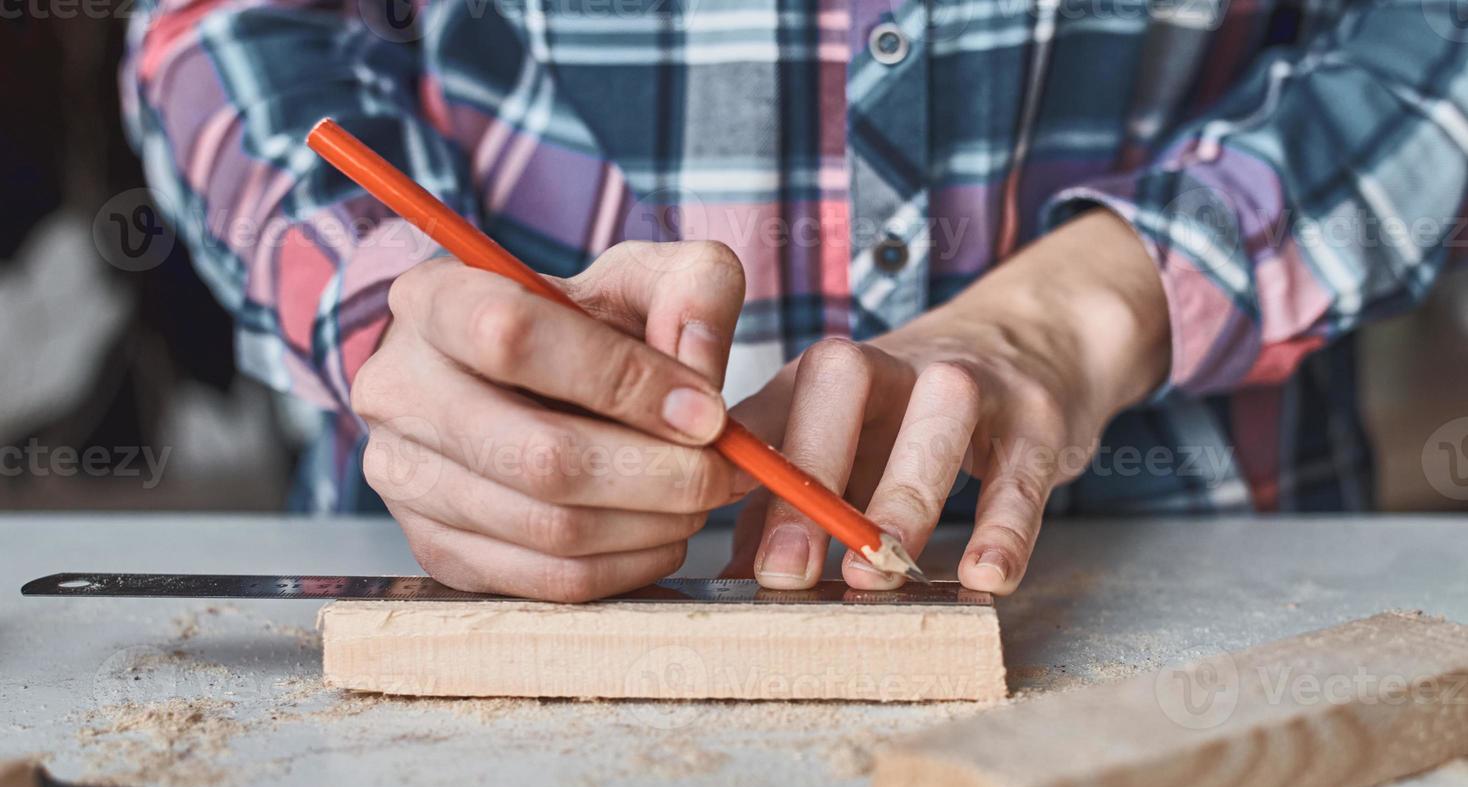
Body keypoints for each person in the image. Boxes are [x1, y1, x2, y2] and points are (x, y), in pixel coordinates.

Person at [123, 0, 1468, 600]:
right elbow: (231, 25)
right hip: (458, 561)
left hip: (1210, 572)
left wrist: (1086, 309)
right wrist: (388, 299)